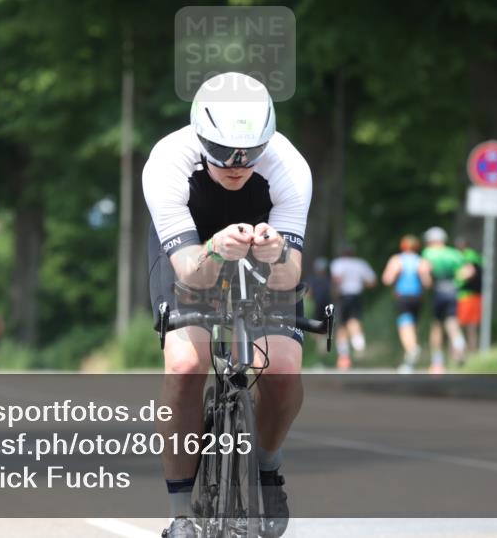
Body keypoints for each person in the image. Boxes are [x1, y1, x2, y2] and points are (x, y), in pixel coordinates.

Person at [144, 72, 311, 538]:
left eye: (249, 155)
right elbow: (191, 272)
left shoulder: (289, 166)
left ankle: (267, 466)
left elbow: (289, 276)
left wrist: (276, 252)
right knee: (185, 363)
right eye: (220, 154)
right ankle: (181, 511)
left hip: (262, 252)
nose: (236, 166)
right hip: (190, 251)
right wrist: (216, 249)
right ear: (199, 136)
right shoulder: (167, 162)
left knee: (281, 367)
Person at [381, 235, 432, 372]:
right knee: (413, 325)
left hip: (403, 296)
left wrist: (397, 276)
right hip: (417, 297)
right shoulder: (421, 261)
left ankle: (412, 349)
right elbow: (427, 283)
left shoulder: (397, 260)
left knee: (404, 325)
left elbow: (387, 279)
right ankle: (409, 361)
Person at [421, 227, 467, 373]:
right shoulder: (454, 253)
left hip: (439, 291)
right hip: (453, 291)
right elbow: (468, 271)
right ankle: (459, 345)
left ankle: (437, 362)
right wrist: (457, 282)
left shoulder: (429, 253)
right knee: (452, 322)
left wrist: (427, 284)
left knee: (436, 326)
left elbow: (424, 271)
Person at [329, 245, 377, 369]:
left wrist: (334, 291)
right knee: (354, 320)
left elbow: (337, 279)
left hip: (343, 296)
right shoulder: (361, 264)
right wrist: (359, 282)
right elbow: (372, 282)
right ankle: (358, 344)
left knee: (341, 325)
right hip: (356, 295)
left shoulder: (337, 263)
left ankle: (344, 357)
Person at [455, 237, 483, 353]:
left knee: (457, 325)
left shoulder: (466, 256)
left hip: (465, 296)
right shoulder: (477, 256)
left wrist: (455, 278)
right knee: (472, 326)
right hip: (476, 295)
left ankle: (460, 352)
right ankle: (472, 350)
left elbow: (469, 272)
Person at [308, 258, 333, 355]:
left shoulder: (314, 279)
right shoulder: (327, 279)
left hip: (320, 305)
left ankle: (322, 348)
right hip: (324, 305)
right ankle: (322, 346)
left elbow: (309, 293)